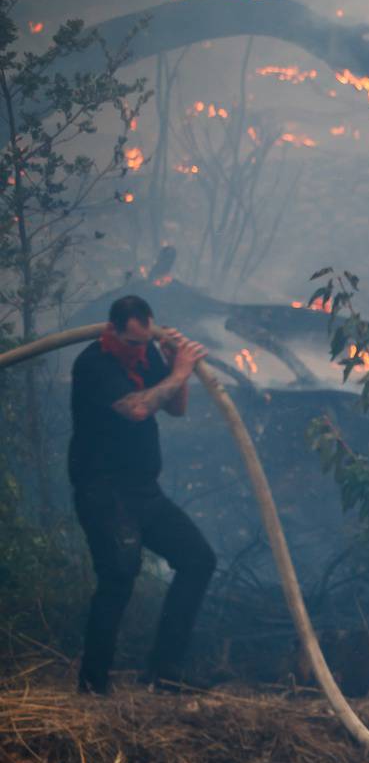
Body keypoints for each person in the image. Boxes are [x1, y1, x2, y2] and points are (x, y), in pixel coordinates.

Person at [67, 295, 217, 694]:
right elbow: (136, 409)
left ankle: (164, 670)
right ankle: (93, 683)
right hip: (103, 492)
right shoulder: (94, 364)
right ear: (112, 330)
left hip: (142, 491)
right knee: (118, 575)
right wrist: (179, 371)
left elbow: (176, 409)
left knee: (198, 559)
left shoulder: (146, 353)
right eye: (132, 342)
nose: (139, 349)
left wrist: (174, 367)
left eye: (144, 340)